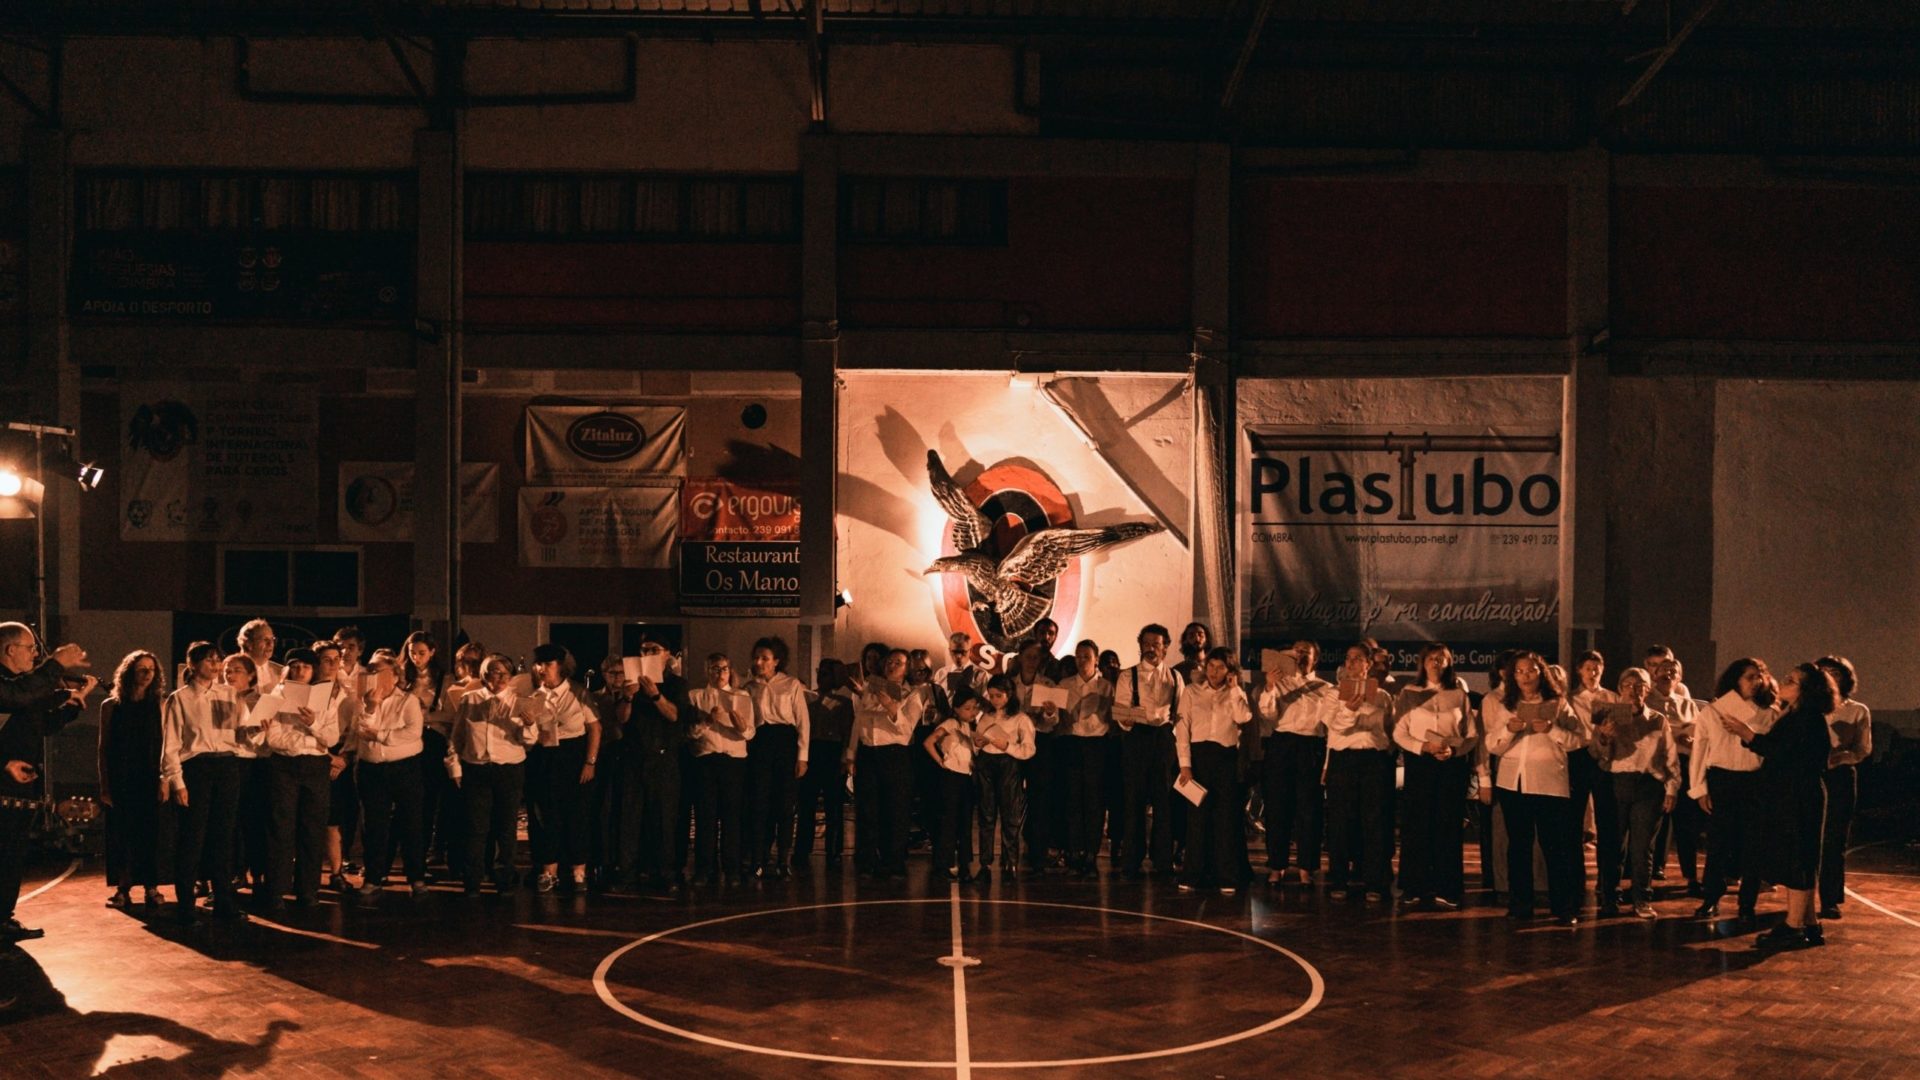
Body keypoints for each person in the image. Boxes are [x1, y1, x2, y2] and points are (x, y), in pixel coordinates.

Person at [1723, 662, 1838, 948]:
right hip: (1794, 794)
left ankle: (1794, 927)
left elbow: (1784, 753)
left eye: (1791, 680)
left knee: (1799, 859)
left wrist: (1748, 734)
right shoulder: (1796, 715)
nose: (1783, 682)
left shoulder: (1807, 718)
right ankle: (1809, 924)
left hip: (1799, 796)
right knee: (1801, 859)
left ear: (1805, 690)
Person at [0, 625, 92, 941]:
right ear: (10, 650)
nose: (35, 653)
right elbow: (17, 695)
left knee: (11, 857)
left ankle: (3, 919)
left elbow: (40, 725)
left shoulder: (23, 688)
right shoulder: (9, 687)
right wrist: (55, 663)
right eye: (30, 647)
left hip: (17, 788)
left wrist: (72, 706)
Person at [1484, 651, 1586, 927]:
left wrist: (1552, 730)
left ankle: (1563, 906)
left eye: (1531, 671)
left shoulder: (1558, 703)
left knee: (1555, 846)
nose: (1525, 676)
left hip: (1549, 783)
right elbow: (1492, 745)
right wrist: (1509, 730)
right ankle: (1520, 905)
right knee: (1518, 846)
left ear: (1541, 673)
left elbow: (1579, 740)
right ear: (1512, 676)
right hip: (1512, 783)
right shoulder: (1506, 705)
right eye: (1519, 671)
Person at [160, 646, 258, 924]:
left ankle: (224, 902)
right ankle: (186, 906)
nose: (216, 665)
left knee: (223, 837)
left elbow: (239, 735)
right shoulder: (180, 698)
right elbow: (171, 745)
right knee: (193, 837)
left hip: (227, 765)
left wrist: (255, 730)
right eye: (209, 660)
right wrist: (177, 782)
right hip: (197, 767)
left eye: (218, 659)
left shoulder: (228, 694)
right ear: (193, 663)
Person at [1393, 644, 1480, 910]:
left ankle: (1448, 887)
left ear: (1449, 663)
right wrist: (1423, 747)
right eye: (1432, 659)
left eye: (1442, 659)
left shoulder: (1459, 695)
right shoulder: (1409, 693)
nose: (1436, 663)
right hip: (1420, 764)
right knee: (1417, 824)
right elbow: (1399, 733)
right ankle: (1414, 886)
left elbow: (1472, 735)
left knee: (1448, 825)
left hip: (1451, 766)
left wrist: (1453, 750)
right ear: (1422, 663)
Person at [1690, 658, 1776, 924]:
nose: (1756, 681)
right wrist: (1699, 789)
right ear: (1735, 679)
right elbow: (1699, 752)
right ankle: (1711, 898)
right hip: (1722, 780)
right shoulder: (1713, 712)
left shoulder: (1769, 712)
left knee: (1753, 845)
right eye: (1749, 676)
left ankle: (1747, 902)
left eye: (1759, 676)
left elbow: (1771, 753)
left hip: (1753, 781)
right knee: (1718, 844)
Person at [1590, 667, 1681, 919]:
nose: (1634, 690)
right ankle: (1610, 897)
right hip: (1614, 783)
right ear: (1619, 689)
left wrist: (1672, 788)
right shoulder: (1606, 714)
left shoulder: (1658, 719)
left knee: (1643, 848)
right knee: (1612, 845)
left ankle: (1642, 897)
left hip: (1648, 784)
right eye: (1628, 685)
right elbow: (1594, 754)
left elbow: (1670, 757)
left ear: (1647, 689)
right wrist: (1604, 738)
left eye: (1640, 685)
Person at [260, 646, 342, 911]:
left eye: (305, 667)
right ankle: (275, 890)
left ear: (313, 670)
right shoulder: (275, 695)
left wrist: (312, 725)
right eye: (295, 666)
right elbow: (272, 737)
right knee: (280, 828)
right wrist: (305, 738)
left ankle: (308, 890)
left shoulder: (325, 698)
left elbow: (331, 739)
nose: (300, 671)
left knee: (312, 829)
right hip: (283, 764)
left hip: (315, 766)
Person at [447, 654, 538, 894]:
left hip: (508, 768)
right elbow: (457, 737)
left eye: (502, 674)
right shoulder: (470, 699)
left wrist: (528, 724)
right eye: (491, 673)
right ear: (484, 675)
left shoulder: (518, 700)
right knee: (476, 828)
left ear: (510, 676)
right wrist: (454, 767)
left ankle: (504, 878)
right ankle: (473, 880)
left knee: (506, 827)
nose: (497, 679)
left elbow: (528, 741)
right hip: (476, 769)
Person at [522, 643, 601, 894]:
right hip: (545, 758)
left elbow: (595, 728)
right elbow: (529, 738)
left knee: (577, 815)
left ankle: (579, 871)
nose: (541, 669)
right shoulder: (535, 697)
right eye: (539, 664)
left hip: (574, 756)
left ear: (561, 666)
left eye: (548, 664)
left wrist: (590, 762)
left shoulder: (578, 692)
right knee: (546, 816)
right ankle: (549, 871)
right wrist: (528, 725)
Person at [1255, 639, 1334, 886]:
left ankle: (1306, 867)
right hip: (1282, 745)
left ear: (1315, 659)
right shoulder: (1279, 682)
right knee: (1278, 807)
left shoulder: (1327, 688)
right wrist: (1269, 686)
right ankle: (1276, 865)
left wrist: (1326, 764)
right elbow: (1267, 715)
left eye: (1305, 653)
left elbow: (1331, 726)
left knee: (1309, 810)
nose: (1299, 656)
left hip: (1312, 746)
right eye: (1296, 651)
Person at [1175, 647, 1251, 896]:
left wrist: (1234, 689)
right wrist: (1185, 765)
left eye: (1220, 667)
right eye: (1211, 666)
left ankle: (1226, 876)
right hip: (1198, 758)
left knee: (1225, 819)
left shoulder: (1235, 693)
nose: (1214, 672)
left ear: (1230, 670)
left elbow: (1244, 717)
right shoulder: (1191, 691)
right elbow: (1182, 728)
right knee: (1196, 818)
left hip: (1225, 759)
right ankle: (1193, 874)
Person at [615, 643, 689, 895]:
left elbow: (674, 715)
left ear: (667, 654)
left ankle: (666, 873)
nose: (647, 654)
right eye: (643, 650)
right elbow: (622, 719)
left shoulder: (677, 684)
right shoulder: (630, 681)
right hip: (634, 758)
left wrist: (656, 695)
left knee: (664, 819)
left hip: (664, 758)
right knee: (630, 818)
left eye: (654, 649)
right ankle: (627, 874)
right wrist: (628, 696)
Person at [1324, 642, 1395, 903]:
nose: (1352, 663)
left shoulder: (1383, 696)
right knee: (1341, 821)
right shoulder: (1333, 694)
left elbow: (1389, 728)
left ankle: (1374, 880)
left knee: (1374, 822)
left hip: (1374, 761)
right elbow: (1332, 725)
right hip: (1344, 760)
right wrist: (1349, 709)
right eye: (1348, 658)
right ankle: (1339, 878)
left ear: (1368, 664)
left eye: (1358, 658)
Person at [353, 653, 429, 897]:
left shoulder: (408, 700)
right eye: (373, 672)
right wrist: (371, 706)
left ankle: (416, 876)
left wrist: (382, 735)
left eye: (383, 673)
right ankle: (374, 876)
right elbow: (361, 728)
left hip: (404, 767)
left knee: (412, 822)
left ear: (396, 676)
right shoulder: (362, 699)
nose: (377, 678)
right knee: (374, 824)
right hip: (372, 769)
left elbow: (413, 732)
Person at [98, 649, 167, 910]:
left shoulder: (160, 704)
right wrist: (104, 786)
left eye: (151, 669)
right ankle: (122, 890)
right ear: (130, 673)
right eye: (142, 669)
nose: (148, 674)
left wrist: (165, 778)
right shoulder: (111, 706)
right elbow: (103, 749)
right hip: (121, 779)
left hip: (149, 777)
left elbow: (165, 745)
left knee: (149, 834)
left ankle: (151, 888)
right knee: (121, 835)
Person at [848, 649, 923, 880]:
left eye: (898, 663)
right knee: (868, 808)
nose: (892, 665)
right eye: (889, 661)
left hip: (895, 754)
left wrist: (891, 707)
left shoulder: (913, 695)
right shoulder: (870, 689)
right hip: (868, 752)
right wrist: (851, 754)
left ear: (907, 668)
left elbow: (906, 729)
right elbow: (859, 721)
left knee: (895, 809)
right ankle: (867, 860)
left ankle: (894, 861)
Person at [1115, 625, 1179, 880]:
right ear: (1140, 644)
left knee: (1164, 801)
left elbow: (1181, 713)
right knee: (1134, 801)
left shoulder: (1175, 676)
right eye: (1147, 643)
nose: (1151, 648)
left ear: (1165, 647)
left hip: (1164, 740)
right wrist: (1126, 720)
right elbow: (1120, 709)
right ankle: (1132, 859)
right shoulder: (1127, 675)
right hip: (1137, 738)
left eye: (1157, 643)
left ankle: (1163, 860)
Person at [745, 636, 810, 881]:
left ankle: (784, 859)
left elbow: (803, 721)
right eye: (757, 657)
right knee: (759, 803)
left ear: (776, 661)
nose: (759, 662)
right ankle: (759, 859)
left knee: (785, 805)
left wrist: (802, 757)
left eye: (765, 658)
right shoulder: (749, 687)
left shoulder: (791, 684)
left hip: (785, 743)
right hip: (760, 743)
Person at [688, 654, 754, 886]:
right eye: (715, 669)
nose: (720, 673)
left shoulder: (742, 696)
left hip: (734, 761)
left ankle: (732, 868)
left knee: (732, 817)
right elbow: (690, 734)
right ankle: (705, 869)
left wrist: (742, 726)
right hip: (706, 760)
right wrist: (707, 721)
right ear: (707, 670)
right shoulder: (696, 696)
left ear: (730, 671)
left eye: (724, 668)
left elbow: (750, 733)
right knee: (706, 817)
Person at [1566, 650, 1620, 913]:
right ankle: (1576, 883)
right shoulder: (1569, 699)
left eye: (1597, 667)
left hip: (1605, 761)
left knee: (1608, 824)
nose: (1593, 672)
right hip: (1577, 759)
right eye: (1588, 667)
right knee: (1574, 823)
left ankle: (1608, 884)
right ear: (1579, 670)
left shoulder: (1612, 698)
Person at [1815, 655, 1868, 921]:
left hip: (1841, 777)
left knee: (1834, 839)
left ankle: (1829, 899)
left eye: (1834, 672)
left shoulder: (1857, 710)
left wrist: (1842, 757)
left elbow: (1863, 749)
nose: (1828, 676)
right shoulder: (1808, 706)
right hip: (1811, 775)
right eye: (1823, 672)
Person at [1647, 656, 1703, 896]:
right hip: (1656, 766)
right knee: (1651, 824)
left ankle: (1690, 876)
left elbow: (1699, 732)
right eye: (1664, 669)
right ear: (1655, 674)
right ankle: (1645, 877)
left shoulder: (1688, 704)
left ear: (1680, 678)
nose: (1668, 673)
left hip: (1683, 763)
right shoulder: (1647, 700)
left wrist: (1690, 739)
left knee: (1686, 824)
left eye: (1674, 671)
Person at [1056, 640, 1112, 879]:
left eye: (1086, 656)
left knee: (1094, 801)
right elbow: (1058, 718)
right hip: (1072, 744)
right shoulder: (1064, 684)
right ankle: (1074, 851)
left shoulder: (1107, 687)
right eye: (1078, 656)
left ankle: (1091, 853)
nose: (1081, 660)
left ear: (1096, 659)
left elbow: (1114, 717)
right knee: (1072, 799)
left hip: (1097, 746)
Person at [971, 674, 1035, 881]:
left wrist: (1007, 746)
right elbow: (977, 740)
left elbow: (1029, 749)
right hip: (986, 765)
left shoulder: (1020, 718)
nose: (994, 700)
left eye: (998, 695)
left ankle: (1010, 863)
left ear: (1009, 695)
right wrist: (978, 743)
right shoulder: (986, 716)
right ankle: (985, 865)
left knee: (1010, 817)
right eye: (991, 695)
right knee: (986, 816)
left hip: (1008, 765)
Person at [795, 658, 854, 875]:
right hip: (811, 751)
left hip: (831, 752)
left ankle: (834, 851)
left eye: (828, 673)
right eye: (821, 672)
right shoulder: (806, 697)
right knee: (806, 805)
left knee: (833, 806)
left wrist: (844, 759)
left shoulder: (843, 702)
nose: (822, 677)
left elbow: (847, 732)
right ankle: (802, 850)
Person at [1012, 639, 1062, 878]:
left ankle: (1038, 854)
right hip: (1012, 745)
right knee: (1011, 799)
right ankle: (1010, 855)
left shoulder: (1048, 685)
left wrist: (1049, 712)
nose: (1032, 660)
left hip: (1040, 744)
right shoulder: (1009, 685)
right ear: (1020, 657)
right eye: (1028, 655)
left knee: (1040, 799)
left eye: (1036, 656)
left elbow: (1053, 722)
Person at [925, 688, 982, 881]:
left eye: (975, 708)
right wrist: (941, 762)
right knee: (948, 821)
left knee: (965, 823)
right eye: (967, 708)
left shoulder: (968, 727)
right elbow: (929, 742)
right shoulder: (950, 723)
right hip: (951, 777)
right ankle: (944, 864)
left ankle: (965, 865)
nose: (972, 712)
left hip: (966, 777)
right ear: (956, 709)